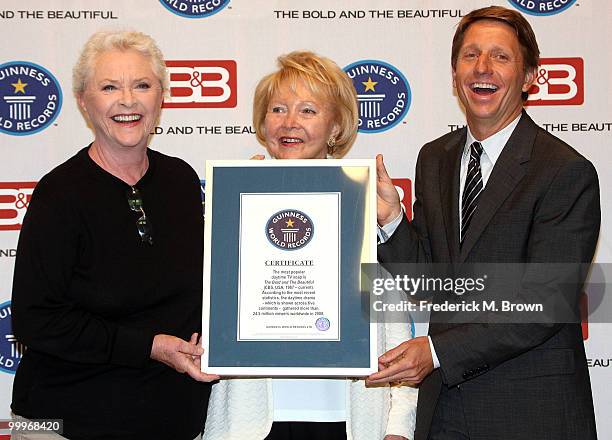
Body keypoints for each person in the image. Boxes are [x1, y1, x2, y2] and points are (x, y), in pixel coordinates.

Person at [369, 6, 599, 440]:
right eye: (470, 55)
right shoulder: (434, 158)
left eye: (501, 56)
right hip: (446, 414)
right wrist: (392, 220)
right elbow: (430, 283)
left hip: (530, 414)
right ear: (455, 72)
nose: (482, 68)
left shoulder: (564, 170)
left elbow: (545, 303)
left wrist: (436, 352)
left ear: (531, 75)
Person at [10, 30, 218, 440]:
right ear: (85, 101)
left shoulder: (180, 179)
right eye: (109, 87)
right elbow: (36, 321)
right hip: (68, 421)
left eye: (142, 85)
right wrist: (147, 346)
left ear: (162, 96)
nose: (128, 100)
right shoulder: (60, 194)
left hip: (173, 421)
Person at [203, 51, 417, 440]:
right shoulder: (232, 203)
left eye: (307, 111)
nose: (289, 123)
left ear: (335, 127)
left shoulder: (363, 202)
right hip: (253, 421)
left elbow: (398, 326)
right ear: (263, 124)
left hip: (348, 417)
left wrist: (399, 424)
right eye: (278, 109)